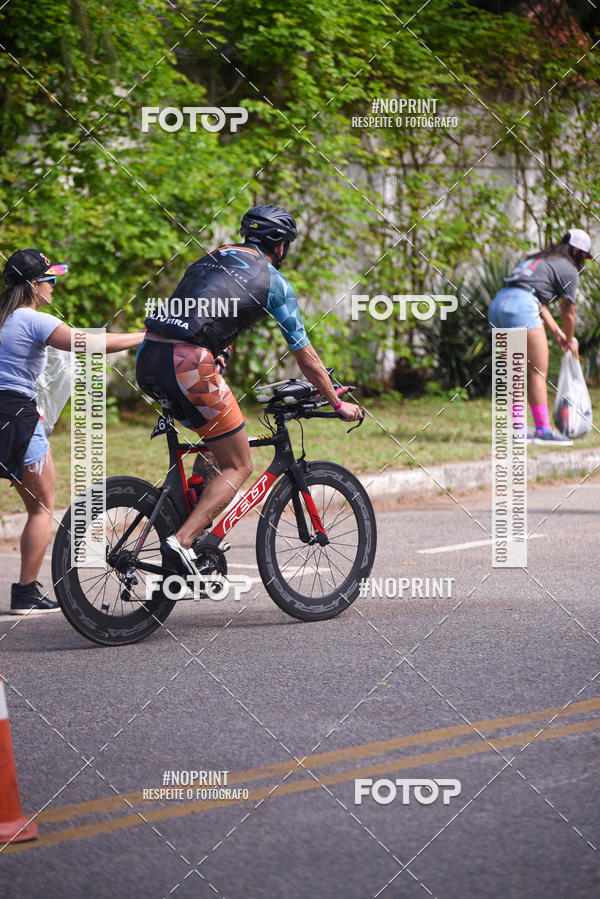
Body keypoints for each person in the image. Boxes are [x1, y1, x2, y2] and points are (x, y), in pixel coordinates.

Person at [136, 204, 362, 576]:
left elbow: (206, 311)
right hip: (187, 364)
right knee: (239, 463)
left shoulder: (213, 257)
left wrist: (220, 352)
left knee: (216, 440)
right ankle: (183, 540)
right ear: (281, 245)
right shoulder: (274, 282)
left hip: (148, 356)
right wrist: (337, 403)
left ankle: (193, 520)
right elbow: (306, 357)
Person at [0, 248, 145, 614]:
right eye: (50, 280)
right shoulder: (33, 320)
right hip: (17, 419)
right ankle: (25, 594)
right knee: (41, 508)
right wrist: (144, 336)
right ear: (34, 285)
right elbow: (93, 344)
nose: (54, 286)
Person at [488, 228, 592, 446]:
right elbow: (568, 311)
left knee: (515, 373)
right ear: (576, 252)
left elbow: (538, 302)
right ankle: (543, 430)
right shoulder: (569, 269)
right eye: (583, 256)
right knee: (537, 371)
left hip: (499, 304)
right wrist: (570, 340)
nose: (583, 261)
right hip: (522, 306)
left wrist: (559, 334)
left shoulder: (536, 259)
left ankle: (519, 431)